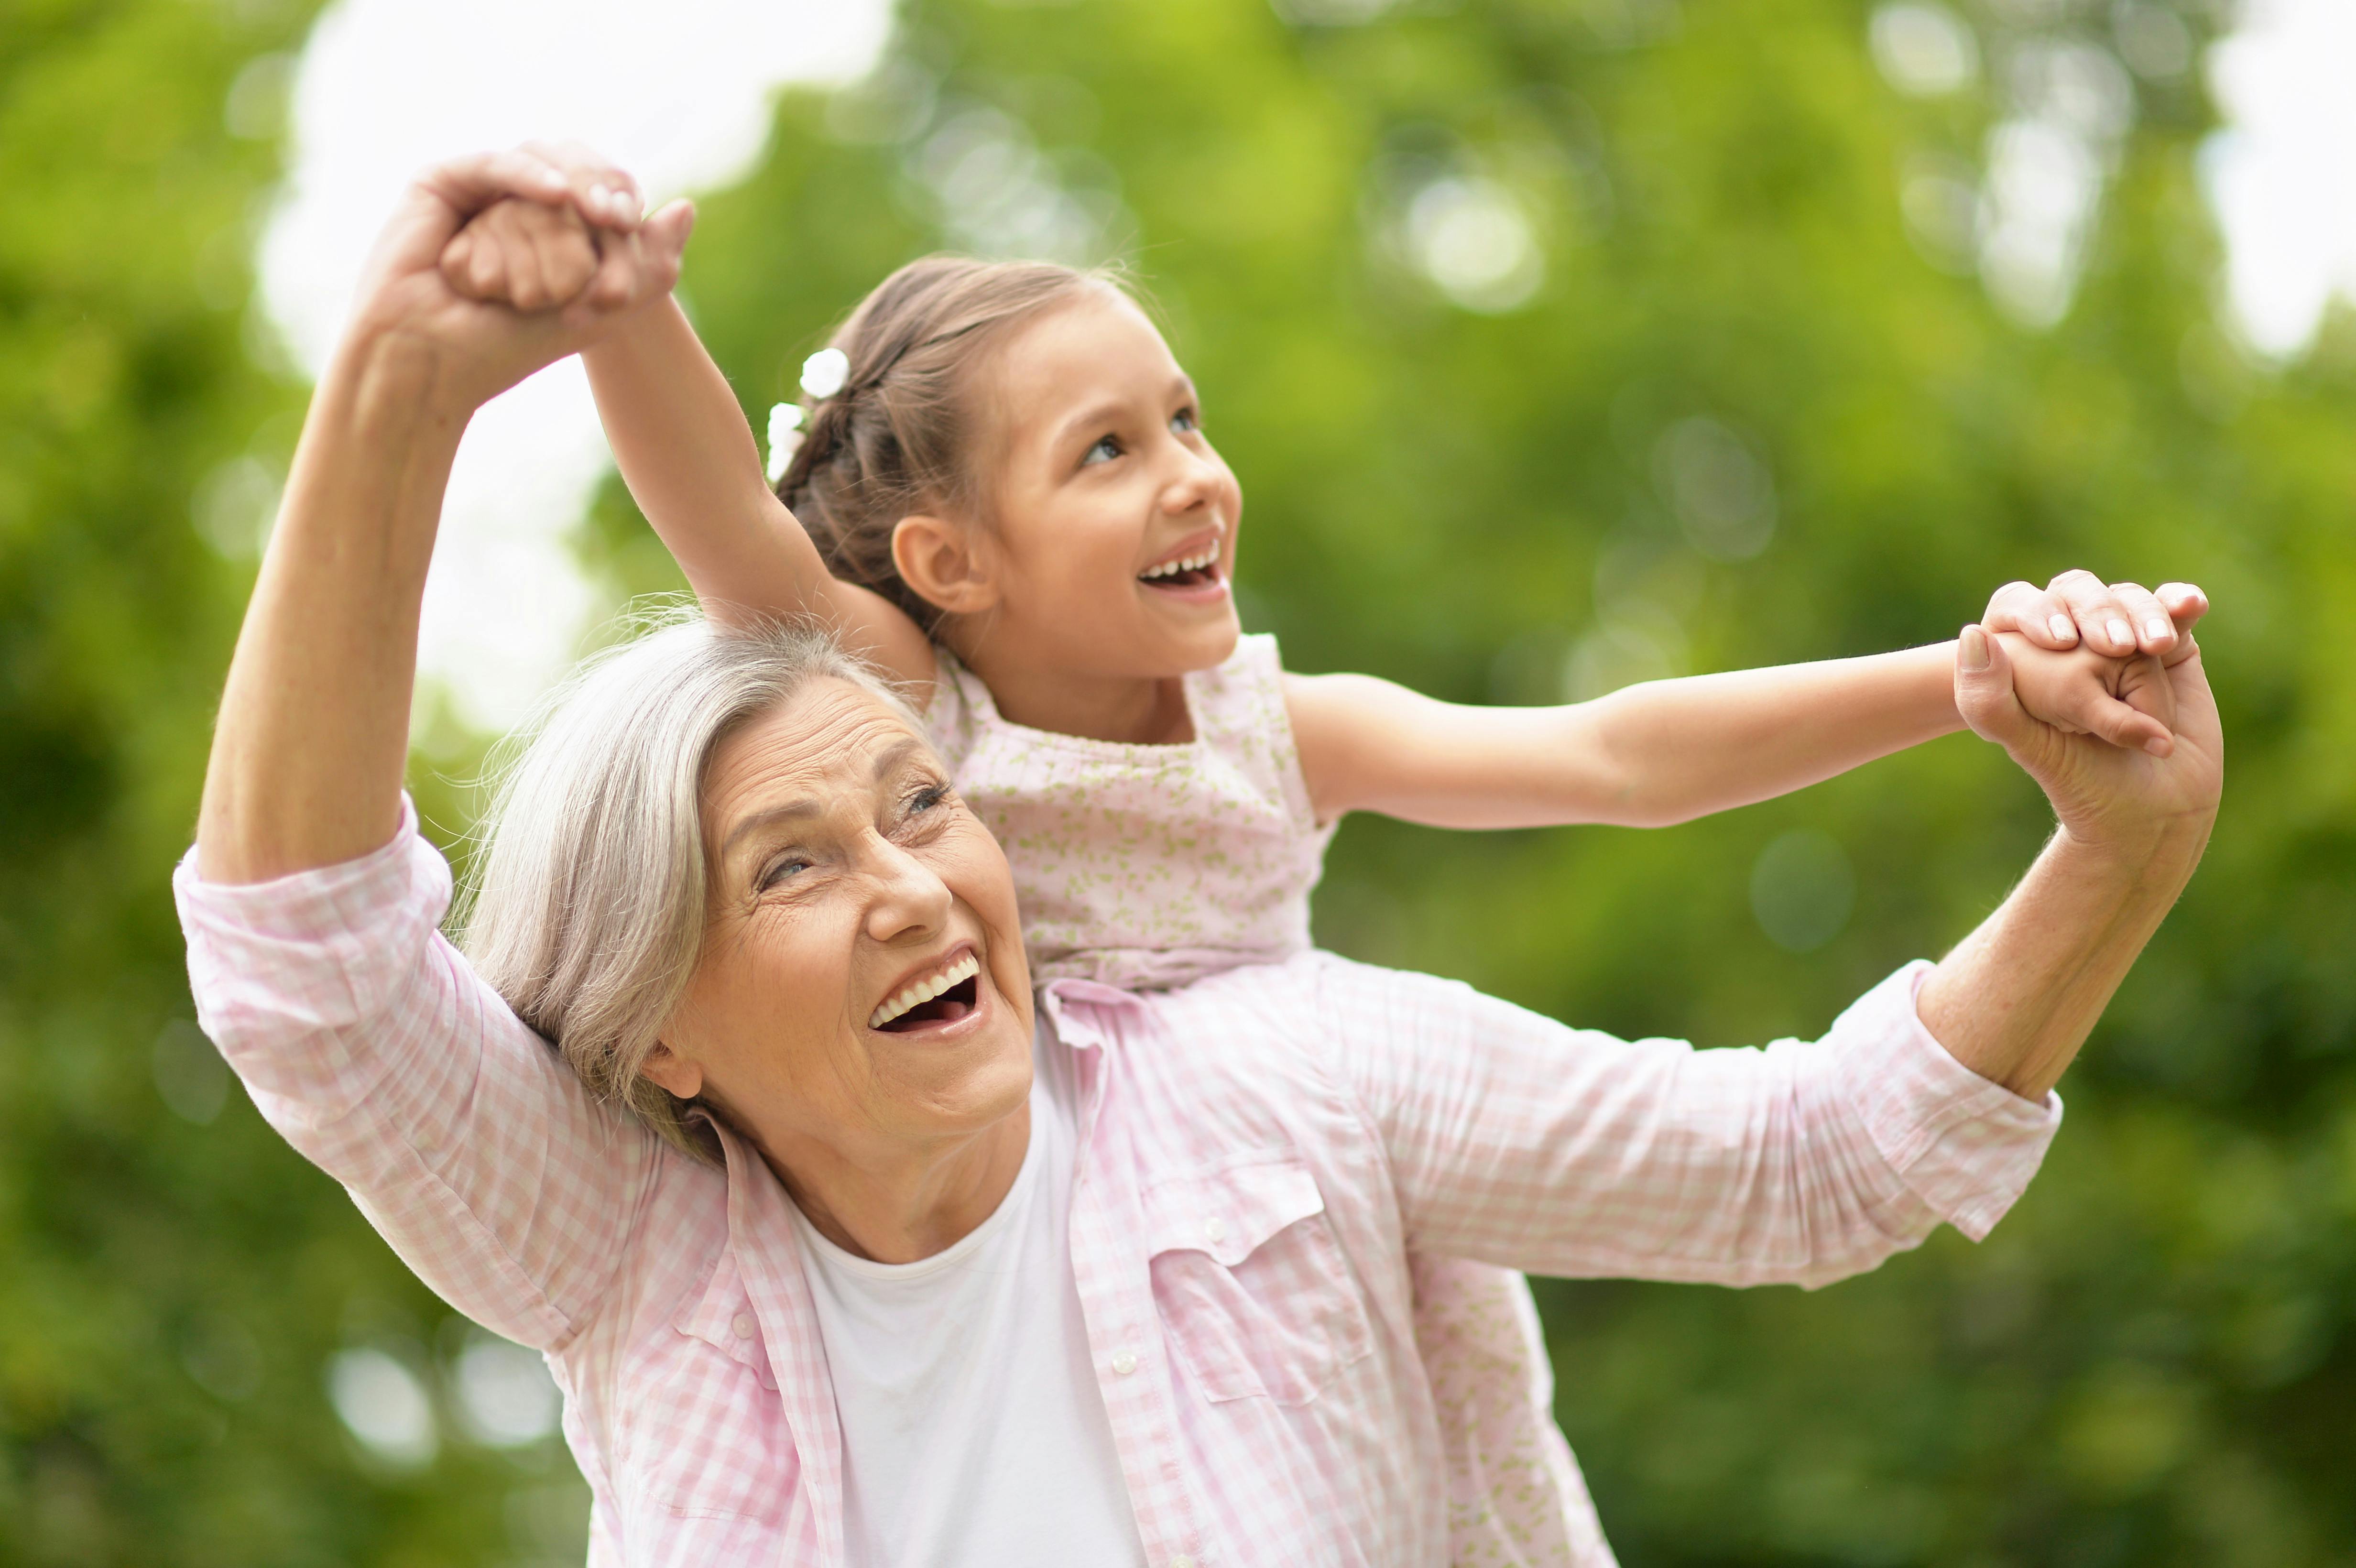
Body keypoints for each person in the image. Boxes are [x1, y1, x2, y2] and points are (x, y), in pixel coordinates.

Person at [180, 152, 2221, 1567]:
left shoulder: (1276, 929)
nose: (1190, 476)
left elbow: (1615, 771)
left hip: (1290, 1172)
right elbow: (340, 964)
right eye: (1106, 450)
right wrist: (603, 308)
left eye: (1182, 417)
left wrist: (1969, 693)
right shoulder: (874, 717)